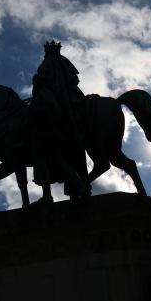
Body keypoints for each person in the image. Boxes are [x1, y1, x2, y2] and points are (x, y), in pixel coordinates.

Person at [32, 41, 89, 196]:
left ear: (47, 52)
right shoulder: (65, 62)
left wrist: (38, 87)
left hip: (56, 102)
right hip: (73, 99)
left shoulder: (46, 64)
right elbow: (74, 80)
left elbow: (40, 81)